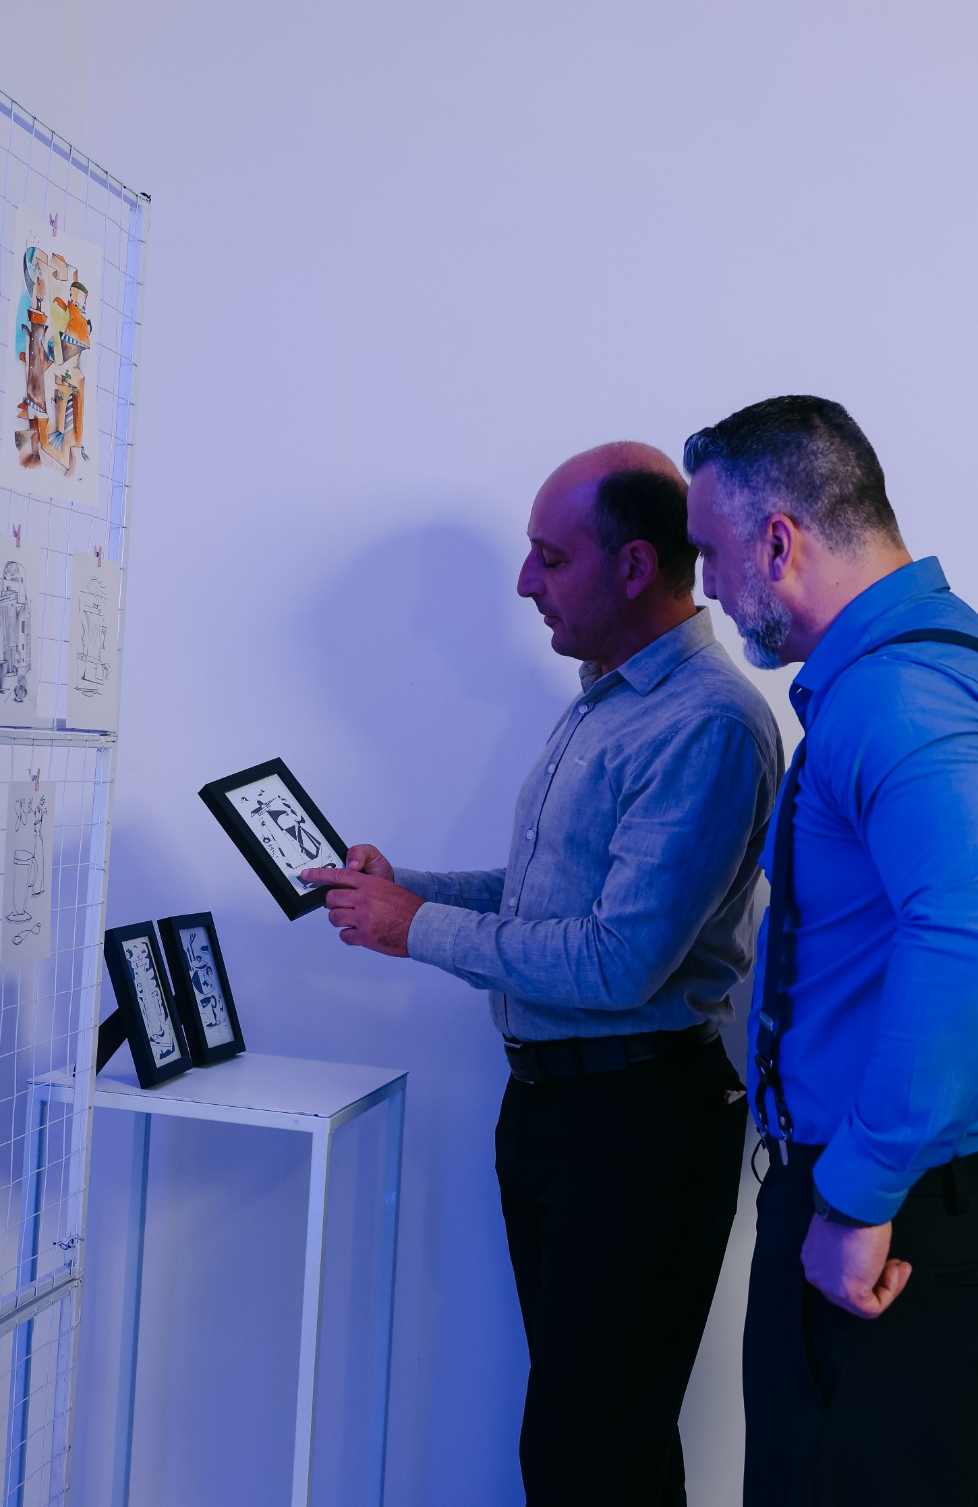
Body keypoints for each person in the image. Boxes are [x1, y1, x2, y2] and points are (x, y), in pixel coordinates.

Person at [303, 443, 783, 1507]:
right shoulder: (606, 700)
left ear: (634, 565)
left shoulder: (705, 722)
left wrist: (414, 927)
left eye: (549, 558)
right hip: (562, 1116)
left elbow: (618, 960)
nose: (526, 583)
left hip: (637, 1124)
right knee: (604, 1445)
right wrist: (403, 885)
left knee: (586, 1453)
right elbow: (545, 896)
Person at [683, 395, 978, 1507]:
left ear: (778, 541)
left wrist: (854, 1196)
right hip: (903, 1192)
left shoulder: (895, 696)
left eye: (712, 552)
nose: (708, 588)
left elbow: (965, 928)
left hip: (890, 1212)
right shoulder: (918, 667)